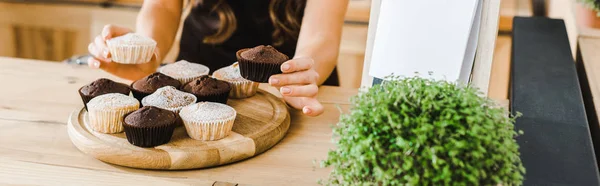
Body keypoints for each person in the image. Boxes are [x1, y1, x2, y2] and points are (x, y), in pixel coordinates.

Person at [87, 0, 349, 117]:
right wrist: (147, 49)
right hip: (195, 81)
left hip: (287, 88)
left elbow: (322, 32)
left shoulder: (295, 79)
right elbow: (163, 5)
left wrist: (301, 70)